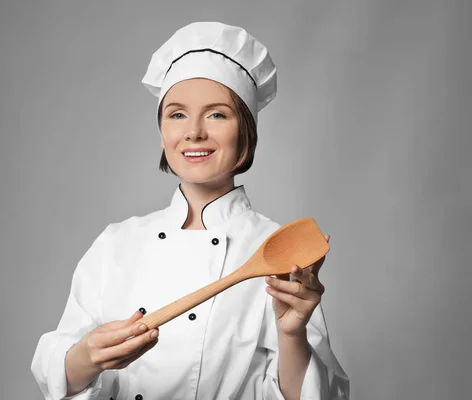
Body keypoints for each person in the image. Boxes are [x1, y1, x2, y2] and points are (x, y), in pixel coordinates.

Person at [31, 21, 349, 400]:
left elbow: (319, 397)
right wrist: (89, 356)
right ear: (162, 131)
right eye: (177, 114)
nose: (193, 132)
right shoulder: (116, 244)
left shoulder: (274, 251)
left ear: (245, 131)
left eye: (217, 114)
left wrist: (293, 332)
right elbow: (56, 375)